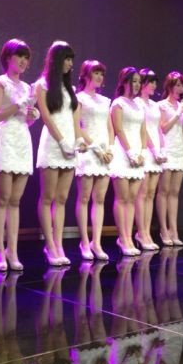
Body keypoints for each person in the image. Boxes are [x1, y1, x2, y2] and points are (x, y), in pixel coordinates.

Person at [0, 39, 39, 272]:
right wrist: (18, 105)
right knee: (3, 198)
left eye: (26, 57)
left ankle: (13, 249)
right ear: (7, 58)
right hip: (5, 139)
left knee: (16, 200)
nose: (23, 61)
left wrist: (32, 116)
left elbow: (25, 120)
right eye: (19, 56)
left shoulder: (28, 87)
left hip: (22, 141)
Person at [35, 41, 86, 266]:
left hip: (69, 147)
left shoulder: (70, 89)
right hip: (52, 145)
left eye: (71, 60)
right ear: (56, 60)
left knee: (62, 198)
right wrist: (62, 141)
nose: (70, 64)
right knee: (48, 197)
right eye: (67, 59)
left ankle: (58, 243)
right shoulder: (42, 85)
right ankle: (50, 245)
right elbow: (46, 117)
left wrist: (79, 140)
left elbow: (75, 120)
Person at [75, 60, 114, 261]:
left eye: (101, 73)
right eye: (95, 73)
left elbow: (110, 128)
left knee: (99, 199)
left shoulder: (105, 101)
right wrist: (96, 148)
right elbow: (77, 126)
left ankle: (96, 242)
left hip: (104, 154)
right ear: (86, 75)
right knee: (84, 198)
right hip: (88, 151)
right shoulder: (79, 98)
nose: (99, 77)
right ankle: (84, 241)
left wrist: (110, 149)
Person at [109, 67, 146, 256]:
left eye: (139, 81)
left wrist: (142, 153)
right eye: (134, 81)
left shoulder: (139, 104)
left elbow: (143, 130)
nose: (137, 84)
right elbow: (118, 129)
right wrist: (130, 152)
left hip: (138, 154)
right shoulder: (118, 103)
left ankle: (129, 237)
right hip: (123, 153)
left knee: (132, 199)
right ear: (124, 82)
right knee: (122, 198)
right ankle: (123, 237)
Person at [156, 71, 183, 246]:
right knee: (163, 191)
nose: (180, 88)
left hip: (179, 150)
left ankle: (174, 230)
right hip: (167, 149)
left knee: (174, 192)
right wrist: (178, 112)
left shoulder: (181, 106)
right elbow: (163, 128)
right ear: (170, 86)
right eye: (177, 85)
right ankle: (163, 229)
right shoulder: (162, 105)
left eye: (182, 85)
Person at [135, 69, 166, 251]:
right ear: (143, 83)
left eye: (155, 82)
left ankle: (146, 232)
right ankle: (141, 232)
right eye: (152, 82)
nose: (154, 85)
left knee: (151, 193)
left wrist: (162, 149)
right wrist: (153, 149)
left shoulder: (155, 105)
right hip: (145, 149)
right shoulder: (137, 103)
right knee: (142, 192)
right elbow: (143, 130)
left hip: (157, 152)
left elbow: (159, 129)